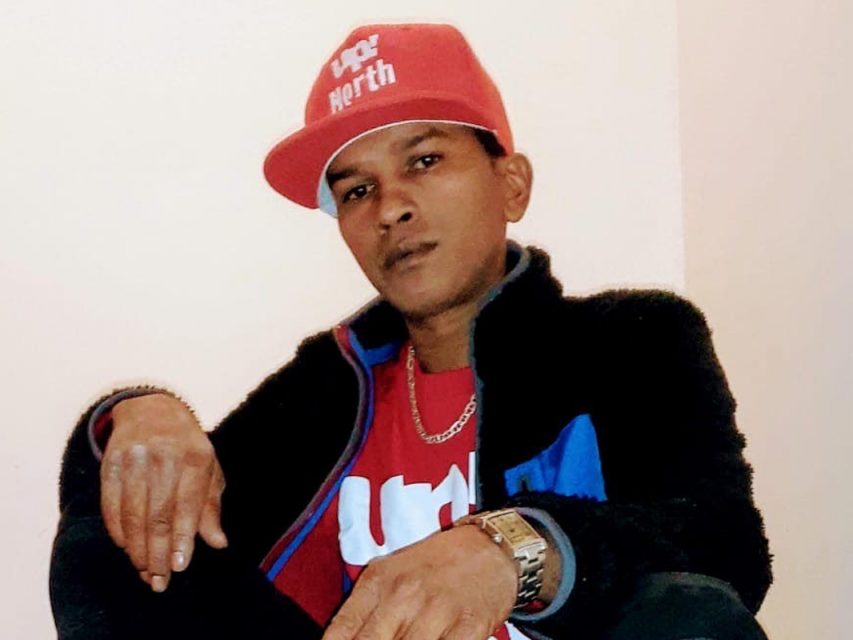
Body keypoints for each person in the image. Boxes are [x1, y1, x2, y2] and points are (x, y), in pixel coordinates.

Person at [50, 23, 772, 640]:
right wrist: (140, 415)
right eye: (357, 190)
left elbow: (723, 544)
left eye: (424, 161)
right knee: (114, 536)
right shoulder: (330, 384)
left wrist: (512, 549)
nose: (390, 207)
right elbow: (171, 512)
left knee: (689, 614)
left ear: (511, 184)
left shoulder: (632, 340)